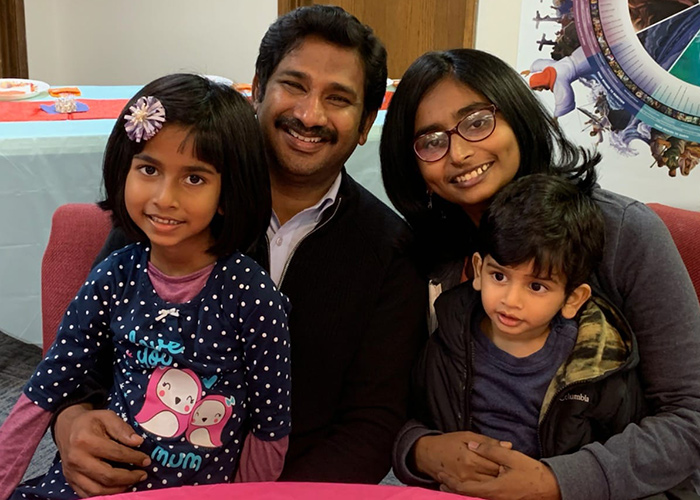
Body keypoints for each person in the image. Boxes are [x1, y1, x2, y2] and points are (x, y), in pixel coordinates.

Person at [48, 5, 427, 497]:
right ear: (257, 91)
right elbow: (82, 356)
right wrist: (71, 422)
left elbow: (372, 427)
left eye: (338, 98)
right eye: (294, 85)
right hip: (139, 476)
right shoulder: (177, 211)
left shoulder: (391, 250)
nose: (309, 115)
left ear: (364, 124)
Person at [381, 48, 700, 499]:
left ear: (517, 115)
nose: (459, 152)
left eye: (476, 121)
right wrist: (419, 449)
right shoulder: (427, 257)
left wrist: (557, 482)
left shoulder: (623, 234)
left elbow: (692, 417)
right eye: (431, 140)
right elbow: (395, 404)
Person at [0, 73, 292, 499]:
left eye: (194, 178)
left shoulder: (253, 296)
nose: (164, 197)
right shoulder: (113, 276)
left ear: (229, 192)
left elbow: (270, 430)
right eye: (149, 169)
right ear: (124, 170)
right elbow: (46, 388)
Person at [413, 171, 651, 489]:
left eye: (536, 286)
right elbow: (415, 421)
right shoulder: (448, 341)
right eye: (500, 276)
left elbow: (623, 456)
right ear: (480, 270)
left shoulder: (598, 365)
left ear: (573, 299)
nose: (511, 300)